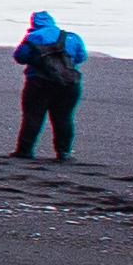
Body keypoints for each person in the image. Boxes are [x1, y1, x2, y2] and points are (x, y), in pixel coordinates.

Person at [10, 9, 87, 160]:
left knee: (33, 116)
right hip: (69, 83)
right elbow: (80, 57)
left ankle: (25, 151)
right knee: (64, 118)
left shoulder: (32, 37)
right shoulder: (71, 37)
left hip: (38, 83)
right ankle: (64, 152)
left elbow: (20, 57)